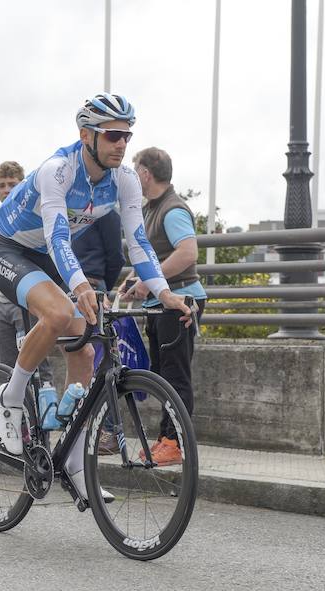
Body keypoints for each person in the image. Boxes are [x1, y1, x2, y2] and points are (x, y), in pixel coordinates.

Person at [0, 93, 191, 501]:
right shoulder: (57, 171)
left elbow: (138, 242)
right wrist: (80, 286)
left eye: (127, 136)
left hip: (46, 259)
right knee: (62, 313)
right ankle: (10, 396)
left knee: (83, 347)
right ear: (86, 135)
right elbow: (57, 235)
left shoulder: (125, 180)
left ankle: (75, 461)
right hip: (10, 250)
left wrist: (164, 292)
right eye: (113, 135)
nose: (121, 144)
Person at [119, 147, 207, 466]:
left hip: (180, 302)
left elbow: (187, 253)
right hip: (161, 304)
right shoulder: (151, 209)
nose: (130, 176)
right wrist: (133, 282)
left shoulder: (172, 210)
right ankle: (166, 439)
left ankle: (174, 442)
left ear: (146, 174)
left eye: (134, 169)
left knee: (175, 376)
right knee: (161, 376)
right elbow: (151, 255)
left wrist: (147, 282)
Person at [0, 161, 53, 384]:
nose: (6, 190)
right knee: (7, 367)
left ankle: (44, 411)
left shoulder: (32, 216)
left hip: (28, 301)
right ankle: (15, 416)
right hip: (2, 303)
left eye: (12, 184)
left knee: (37, 363)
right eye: (1, 185)